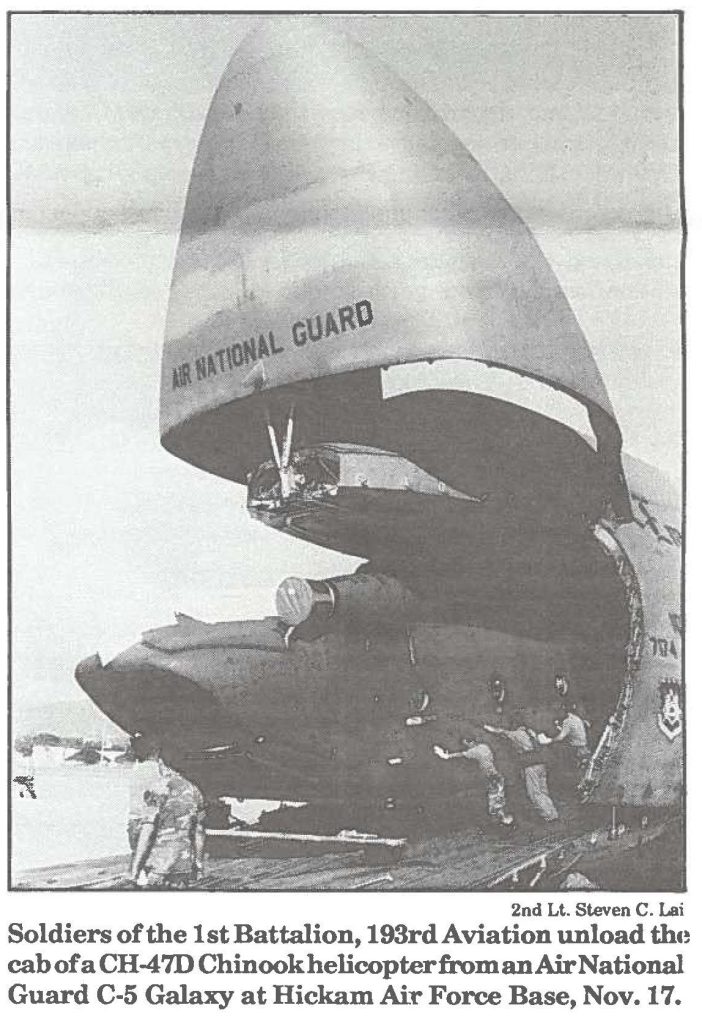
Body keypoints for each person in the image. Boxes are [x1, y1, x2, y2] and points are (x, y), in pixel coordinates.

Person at [128, 737, 206, 889]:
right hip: (183, 866)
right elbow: (200, 830)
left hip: (157, 865)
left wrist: (135, 869)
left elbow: (148, 830)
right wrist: (199, 863)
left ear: (162, 763)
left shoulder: (157, 790)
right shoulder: (195, 790)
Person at [483, 715, 559, 822]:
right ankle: (552, 813)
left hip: (530, 765)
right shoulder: (530, 732)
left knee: (534, 793)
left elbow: (500, 731)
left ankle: (548, 816)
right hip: (541, 763)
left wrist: (486, 726)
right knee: (543, 790)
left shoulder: (517, 734)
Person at [433, 728, 514, 827]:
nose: (466, 746)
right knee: (499, 797)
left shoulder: (473, 751)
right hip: (496, 774)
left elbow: (461, 755)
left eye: (465, 744)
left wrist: (447, 755)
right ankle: (505, 820)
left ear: (469, 742)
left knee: (494, 800)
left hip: (491, 777)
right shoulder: (484, 746)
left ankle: (503, 822)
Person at [538, 700, 591, 770]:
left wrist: (549, 740)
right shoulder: (574, 717)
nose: (556, 714)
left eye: (557, 712)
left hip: (576, 750)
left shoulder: (567, 722)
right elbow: (571, 731)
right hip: (583, 747)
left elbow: (561, 737)